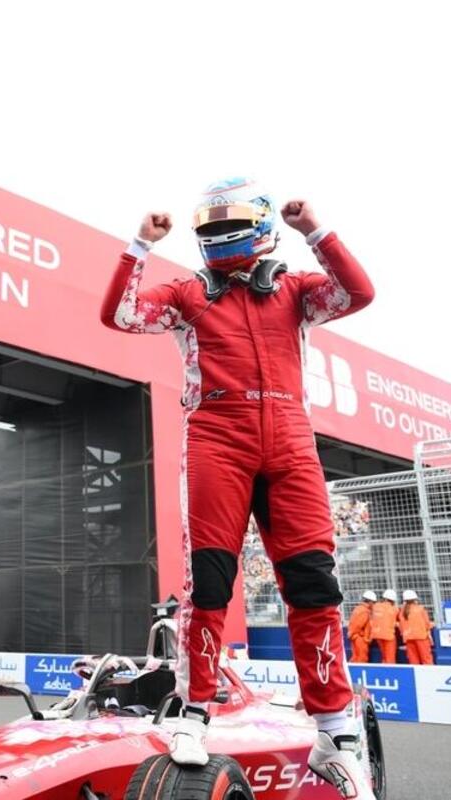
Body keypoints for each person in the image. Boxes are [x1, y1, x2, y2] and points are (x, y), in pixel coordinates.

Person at [101, 178, 375, 798]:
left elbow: (358, 291)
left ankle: (336, 729)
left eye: (231, 223)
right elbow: (118, 314)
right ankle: (194, 710)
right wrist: (139, 246)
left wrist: (315, 230)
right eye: (210, 225)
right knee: (211, 581)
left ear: (260, 226)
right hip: (216, 437)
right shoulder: (186, 292)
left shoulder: (296, 289)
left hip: (290, 439)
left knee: (313, 585)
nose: (221, 234)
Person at [400, 589, 435, 665]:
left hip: (408, 638)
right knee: (426, 659)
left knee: (413, 660)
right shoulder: (420, 609)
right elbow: (427, 624)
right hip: (421, 637)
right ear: (415, 599)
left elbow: (401, 625)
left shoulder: (402, 611)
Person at [370, 589, 401, 664]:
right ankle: (391, 673)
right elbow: (399, 620)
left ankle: (384, 668)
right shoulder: (394, 609)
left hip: (377, 635)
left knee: (384, 656)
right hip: (388, 635)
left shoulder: (375, 606)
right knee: (390, 658)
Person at [347, 590, 376, 663]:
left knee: (355, 657)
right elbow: (358, 625)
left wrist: (351, 634)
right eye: (373, 602)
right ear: (370, 601)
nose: (374, 604)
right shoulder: (364, 611)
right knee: (362, 658)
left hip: (356, 636)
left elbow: (353, 624)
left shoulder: (358, 608)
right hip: (360, 638)